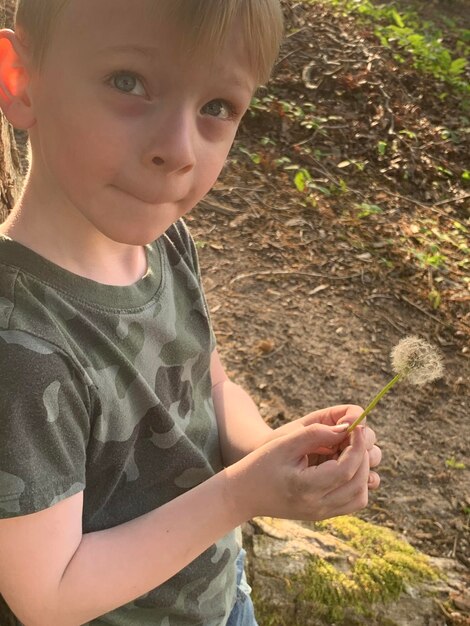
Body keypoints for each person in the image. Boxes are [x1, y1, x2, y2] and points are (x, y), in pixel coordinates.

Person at [0, 1, 382, 624]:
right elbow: (49, 596)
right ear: (19, 80)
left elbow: (211, 383)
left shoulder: (163, 243)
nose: (178, 149)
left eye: (217, 108)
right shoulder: (17, 342)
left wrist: (275, 452)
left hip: (219, 596)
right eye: (129, 82)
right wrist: (243, 493)